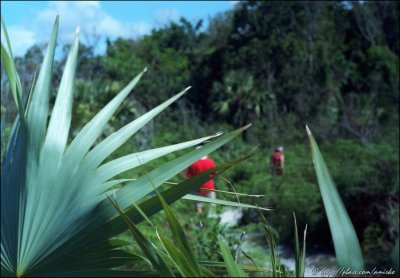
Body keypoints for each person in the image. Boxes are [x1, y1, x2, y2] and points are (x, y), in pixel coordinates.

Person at [184, 148, 217, 213]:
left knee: (198, 205)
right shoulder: (210, 161)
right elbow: (215, 173)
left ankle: (200, 220)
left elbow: (188, 175)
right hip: (209, 188)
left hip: (196, 188)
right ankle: (212, 220)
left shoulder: (193, 163)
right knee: (212, 205)